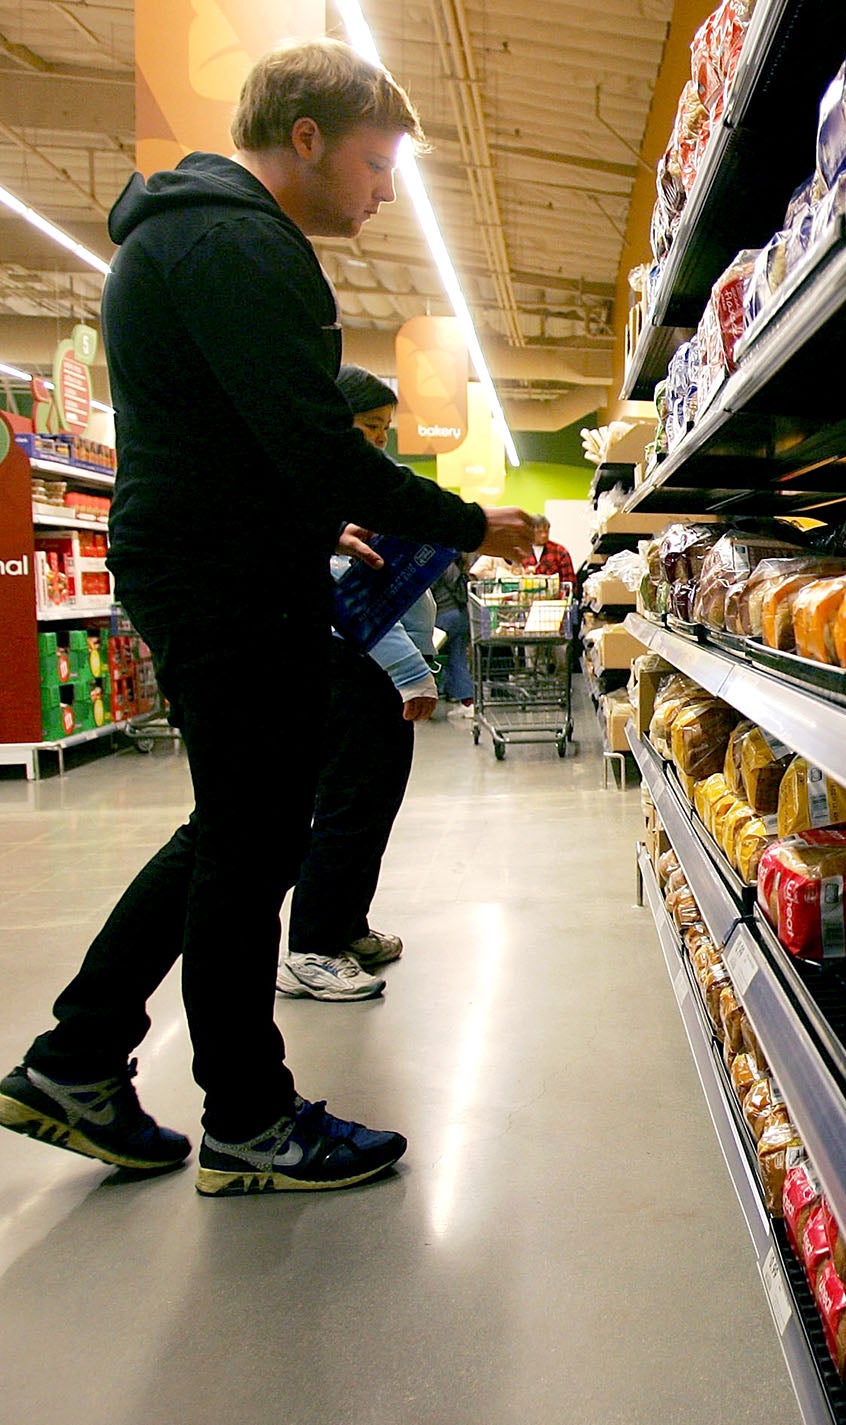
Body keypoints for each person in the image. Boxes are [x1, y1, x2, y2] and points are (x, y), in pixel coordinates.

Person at [0, 38, 534, 1196]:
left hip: (213, 561)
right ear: (307, 137)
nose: (385, 190)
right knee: (252, 845)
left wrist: (308, 524)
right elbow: (308, 441)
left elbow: (246, 443)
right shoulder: (241, 243)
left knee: (239, 832)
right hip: (222, 581)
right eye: (376, 162)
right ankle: (247, 1117)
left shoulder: (186, 234)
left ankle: (78, 1057)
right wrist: (464, 520)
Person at [278, 366, 439, 1002]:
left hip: (371, 669)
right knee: (347, 806)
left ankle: (344, 927)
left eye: (383, 431)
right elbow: (351, 602)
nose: (377, 442)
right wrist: (409, 670)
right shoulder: (317, 491)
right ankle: (310, 948)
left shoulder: (346, 485)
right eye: (368, 427)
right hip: (352, 669)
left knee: (373, 805)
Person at [430, 551, 474, 714]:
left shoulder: (436, 564)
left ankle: (429, 697)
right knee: (457, 657)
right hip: (461, 615)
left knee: (430, 658)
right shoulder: (455, 565)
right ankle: (465, 699)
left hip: (443, 616)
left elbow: (427, 592)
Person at [526, 514, 573, 589]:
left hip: (555, 599)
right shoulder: (521, 552)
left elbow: (569, 582)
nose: (544, 535)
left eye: (546, 531)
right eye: (539, 532)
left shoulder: (560, 551)